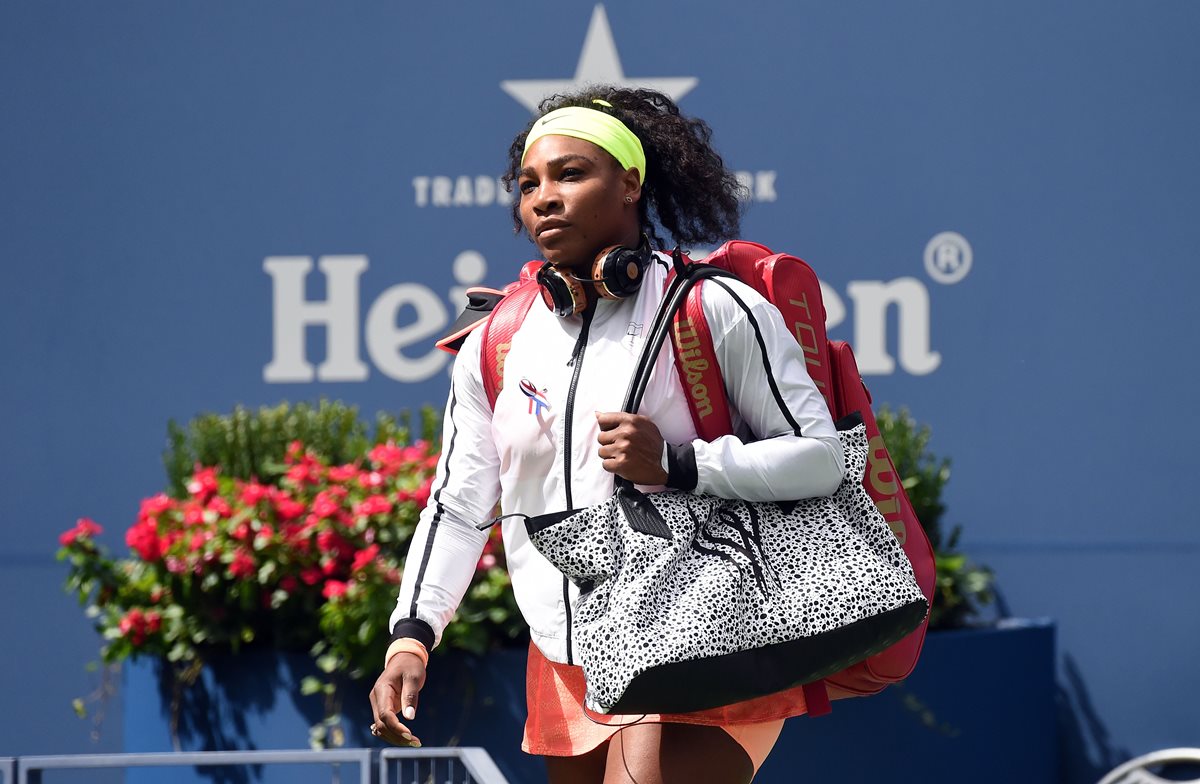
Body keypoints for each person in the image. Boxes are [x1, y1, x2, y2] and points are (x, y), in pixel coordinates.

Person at [370, 86, 846, 783]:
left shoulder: (715, 308)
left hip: (703, 628)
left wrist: (681, 463)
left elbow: (820, 460)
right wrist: (410, 637)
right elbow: (459, 504)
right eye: (528, 184)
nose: (543, 198)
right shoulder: (495, 342)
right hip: (567, 657)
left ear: (630, 184)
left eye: (570, 174)